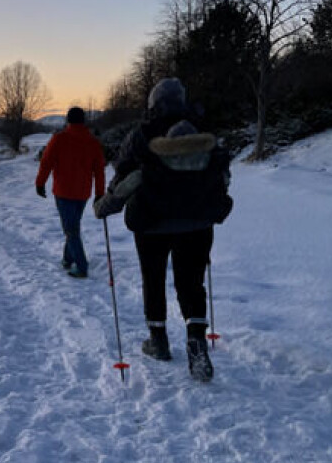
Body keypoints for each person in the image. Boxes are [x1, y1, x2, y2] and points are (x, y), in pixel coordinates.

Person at [94, 78, 232, 382]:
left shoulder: (141, 134)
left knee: (153, 278)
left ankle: (158, 341)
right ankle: (196, 339)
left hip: (151, 221)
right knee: (191, 281)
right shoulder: (201, 128)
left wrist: (107, 202)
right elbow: (221, 172)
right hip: (198, 221)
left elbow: (123, 174)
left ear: (153, 103)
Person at [35, 106, 106, 278]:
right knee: (72, 225)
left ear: (68, 120)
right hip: (82, 193)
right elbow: (99, 170)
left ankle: (81, 266)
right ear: (83, 121)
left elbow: (46, 162)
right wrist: (99, 193)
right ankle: (68, 258)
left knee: (71, 229)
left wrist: (40, 183)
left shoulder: (59, 139)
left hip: (63, 192)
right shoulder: (93, 142)